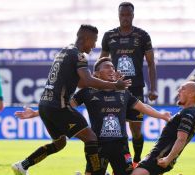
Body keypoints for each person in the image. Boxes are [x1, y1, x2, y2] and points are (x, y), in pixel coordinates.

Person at [14, 57, 170, 175]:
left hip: (121, 146)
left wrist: (162, 115)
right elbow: (62, 108)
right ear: (96, 73)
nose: (112, 70)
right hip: (98, 146)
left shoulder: (123, 92)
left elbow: (144, 107)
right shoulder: (87, 92)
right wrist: (35, 113)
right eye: (107, 67)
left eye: (113, 67)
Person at [11, 24, 131, 175]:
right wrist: (115, 85)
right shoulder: (79, 55)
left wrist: (36, 112)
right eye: (94, 41)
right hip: (59, 106)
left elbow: (80, 82)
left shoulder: (64, 51)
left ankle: (23, 165)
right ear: (86, 39)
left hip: (45, 106)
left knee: (60, 143)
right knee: (91, 137)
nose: (94, 45)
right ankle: (97, 172)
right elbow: (86, 81)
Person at [99, 2, 158, 166]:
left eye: (128, 14)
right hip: (116, 88)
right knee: (118, 129)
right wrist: (100, 83)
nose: (125, 18)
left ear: (133, 15)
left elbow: (151, 63)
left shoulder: (142, 35)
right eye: (122, 15)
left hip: (136, 88)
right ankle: (126, 163)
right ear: (118, 15)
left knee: (136, 130)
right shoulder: (109, 36)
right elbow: (101, 62)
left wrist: (153, 88)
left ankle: (138, 160)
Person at [131, 82, 195, 175]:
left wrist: (168, 158)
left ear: (191, 94)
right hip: (162, 157)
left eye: (183, 88)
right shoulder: (190, 113)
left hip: (159, 157)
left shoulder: (188, 113)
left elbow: (181, 139)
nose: (178, 90)